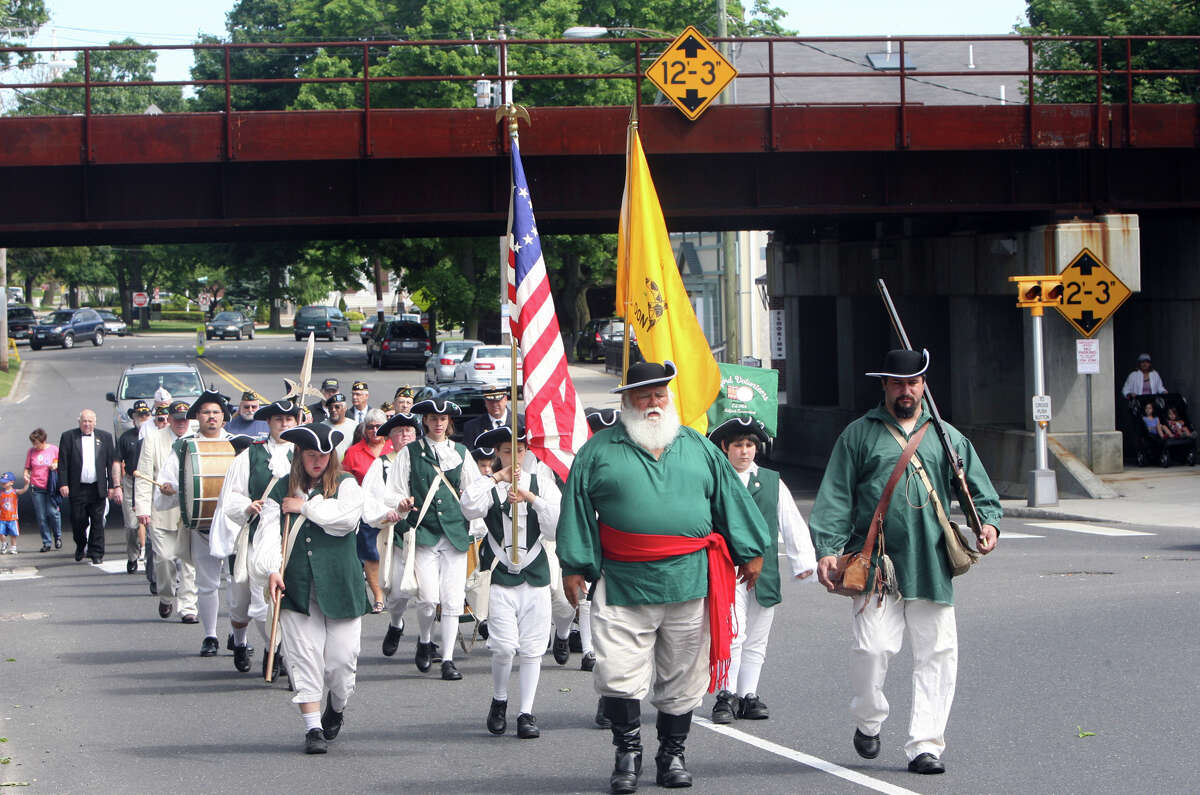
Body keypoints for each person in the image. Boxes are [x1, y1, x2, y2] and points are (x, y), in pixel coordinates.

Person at [556, 360, 770, 794]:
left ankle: (672, 755)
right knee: (617, 672)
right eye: (644, 395)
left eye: (659, 394)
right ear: (627, 401)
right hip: (623, 582)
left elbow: (730, 497)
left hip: (689, 581)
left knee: (684, 676)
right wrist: (575, 565)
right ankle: (627, 755)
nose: (653, 402)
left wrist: (751, 550)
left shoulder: (697, 446)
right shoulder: (598, 451)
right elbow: (576, 507)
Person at [809, 348, 1001, 776]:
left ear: (923, 385)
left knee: (938, 653)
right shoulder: (858, 435)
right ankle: (868, 718)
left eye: (913, 383)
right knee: (871, 649)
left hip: (930, 561)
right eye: (898, 383)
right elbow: (836, 495)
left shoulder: (947, 436)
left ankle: (925, 745)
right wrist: (827, 548)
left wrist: (988, 523)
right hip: (875, 564)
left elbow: (977, 488)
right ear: (885, 386)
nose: (906, 391)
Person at [265, 423, 367, 755]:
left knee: (341, 662)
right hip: (297, 584)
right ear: (299, 455)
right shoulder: (281, 487)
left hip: (340, 583)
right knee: (304, 657)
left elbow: (345, 521)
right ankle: (313, 729)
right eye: (311, 454)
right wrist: (270, 569)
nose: (318, 461)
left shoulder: (347, 484)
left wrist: (305, 507)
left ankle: (336, 706)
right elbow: (268, 533)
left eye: (323, 455)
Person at [706, 416, 816, 724]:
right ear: (724, 447)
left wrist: (803, 561)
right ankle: (726, 694)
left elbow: (790, 520)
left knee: (757, 637)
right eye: (738, 445)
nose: (745, 451)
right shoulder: (716, 479)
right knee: (734, 633)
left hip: (764, 571)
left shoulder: (770, 481)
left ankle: (748, 695)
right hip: (728, 571)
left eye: (750, 445)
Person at [461, 424, 561, 740]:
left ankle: (526, 712)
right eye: (507, 451)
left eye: (519, 450)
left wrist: (531, 498)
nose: (514, 457)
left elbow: (557, 527)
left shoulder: (542, 484)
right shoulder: (488, 485)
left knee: (532, 648)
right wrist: (496, 478)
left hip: (534, 574)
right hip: (500, 576)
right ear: (497, 453)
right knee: (504, 647)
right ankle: (500, 698)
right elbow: (468, 507)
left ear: (526, 451)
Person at [374, 399, 484, 680]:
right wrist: (402, 502)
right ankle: (425, 640)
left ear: (449, 422)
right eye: (433, 418)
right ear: (424, 421)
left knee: (452, 600)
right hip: (423, 533)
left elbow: (474, 492)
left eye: (443, 418)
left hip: (455, 533)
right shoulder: (409, 453)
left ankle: (447, 659)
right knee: (427, 599)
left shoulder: (460, 453)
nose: (438, 423)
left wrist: (473, 508)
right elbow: (393, 490)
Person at [211, 398, 299, 676]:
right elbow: (230, 496)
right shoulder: (250, 455)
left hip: (291, 537)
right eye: (278, 420)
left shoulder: (303, 454)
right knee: (241, 602)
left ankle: (276, 650)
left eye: (289, 419)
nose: (284, 424)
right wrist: (247, 507)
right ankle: (239, 642)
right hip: (254, 535)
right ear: (269, 422)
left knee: (277, 599)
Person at [158, 391, 236, 657]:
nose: (211, 417)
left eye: (216, 412)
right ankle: (210, 635)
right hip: (202, 526)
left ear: (224, 417)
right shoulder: (184, 447)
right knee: (207, 584)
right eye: (206, 412)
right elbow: (170, 484)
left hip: (233, 526)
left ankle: (237, 635)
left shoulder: (238, 445)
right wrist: (169, 490)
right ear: (197, 417)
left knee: (237, 582)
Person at [362, 412, 422, 655]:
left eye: (409, 430)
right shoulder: (382, 464)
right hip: (396, 533)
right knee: (398, 591)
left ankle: (427, 641)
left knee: (430, 593)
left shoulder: (427, 460)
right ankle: (396, 623)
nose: (405, 435)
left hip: (427, 530)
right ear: (390, 437)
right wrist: (387, 513)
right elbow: (369, 498)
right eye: (399, 431)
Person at [136, 400, 199, 623]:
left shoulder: (197, 439)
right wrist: (142, 508)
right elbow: (143, 475)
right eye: (177, 419)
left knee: (189, 562)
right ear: (169, 419)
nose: (181, 423)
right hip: (161, 510)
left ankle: (188, 607)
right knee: (164, 559)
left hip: (190, 511)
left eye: (185, 420)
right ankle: (166, 595)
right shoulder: (153, 439)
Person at [341, 408, 394, 613]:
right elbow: (344, 480)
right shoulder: (354, 452)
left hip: (393, 509)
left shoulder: (393, 448)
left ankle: (395, 593)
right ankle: (378, 597)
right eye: (370, 427)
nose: (374, 431)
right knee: (371, 555)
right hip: (367, 511)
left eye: (379, 427)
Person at [57, 409, 121, 564]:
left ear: (95, 422)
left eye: (90, 421)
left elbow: (110, 463)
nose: (87, 424)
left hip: (97, 487)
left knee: (97, 521)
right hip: (77, 487)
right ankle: (81, 545)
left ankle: (96, 552)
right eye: (84, 421)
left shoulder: (105, 437)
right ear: (79, 422)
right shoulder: (68, 437)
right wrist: (63, 484)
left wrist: (112, 486)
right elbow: (63, 463)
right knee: (78, 520)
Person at [116, 401, 152, 573]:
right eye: (139, 415)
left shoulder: (156, 435)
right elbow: (117, 462)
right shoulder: (126, 438)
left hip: (151, 480)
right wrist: (117, 485)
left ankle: (152, 559)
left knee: (154, 525)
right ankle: (132, 556)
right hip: (131, 481)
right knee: (132, 525)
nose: (143, 418)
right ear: (133, 417)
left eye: (146, 414)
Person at [23, 428, 62, 553]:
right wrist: (26, 475)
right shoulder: (31, 452)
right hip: (36, 486)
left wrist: (56, 465)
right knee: (41, 516)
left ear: (43, 441)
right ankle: (46, 542)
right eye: (33, 443)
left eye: (37, 443)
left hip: (51, 486)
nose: (35, 446)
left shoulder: (54, 450)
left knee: (53, 512)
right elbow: (27, 468)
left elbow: (62, 463)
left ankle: (58, 536)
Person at [0, 472, 29, 555]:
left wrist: (27, 484)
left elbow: (23, 490)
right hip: (2, 518)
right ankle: (4, 543)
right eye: (2, 482)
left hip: (12, 518)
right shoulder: (1, 494)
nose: (3, 483)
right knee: (1, 532)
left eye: (5, 482)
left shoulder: (14, 492)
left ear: (11, 482)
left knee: (13, 534)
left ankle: (13, 547)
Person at [322, 393, 357, 458]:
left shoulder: (355, 426)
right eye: (330, 408)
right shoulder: (322, 426)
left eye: (337, 407)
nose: (333, 410)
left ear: (345, 408)